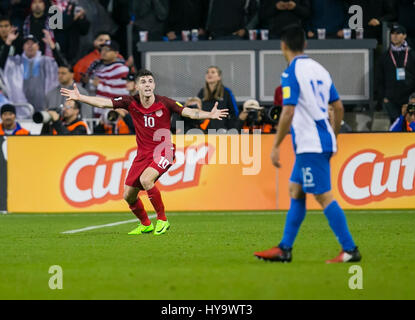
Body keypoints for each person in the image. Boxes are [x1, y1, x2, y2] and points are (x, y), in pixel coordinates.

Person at [60, 69, 228, 235]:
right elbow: (103, 103)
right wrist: (80, 97)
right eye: (143, 82)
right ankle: (146, 224)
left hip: (165, 150)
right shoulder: (130, 102)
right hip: (142, 155)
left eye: (149, 81)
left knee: (146, 179)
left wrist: (209, 114)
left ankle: (162, 220)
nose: (147, 84)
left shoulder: (165, 102)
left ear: (154, 85)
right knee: (128, 196)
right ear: (137, 87)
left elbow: (189, 112)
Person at [254, 26, 361, 263]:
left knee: (323, 196)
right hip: (320, 140)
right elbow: (339, 107)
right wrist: (333, 135)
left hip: (310, 143)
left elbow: (288, 110)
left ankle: (350, 249)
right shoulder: (320, 69)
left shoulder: (291, 72)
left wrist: (275, 145)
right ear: (306, 45)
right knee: (296, 190)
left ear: (283, 45)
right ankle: (285, 248)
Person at [0, 31, 63, 113]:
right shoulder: (15, 62)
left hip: (43, 106)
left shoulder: (46, 61)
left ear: (38, 47)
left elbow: (62, 65)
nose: (30, 46)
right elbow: (2, 64)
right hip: (21, 108)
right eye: (27, 43)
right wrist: (8, 43)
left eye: (33, 43)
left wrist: (52, 46)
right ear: (23, 47)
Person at [377, 24, 415, 123]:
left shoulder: (412, 54)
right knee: (395, 123)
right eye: (392, 33)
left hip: (409, 98)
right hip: (391, 99)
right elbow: (379, 78)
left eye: (398, 33)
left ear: (404, 36)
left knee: (410, 123)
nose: (395, 36)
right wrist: (383, 97)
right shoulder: (384, 56)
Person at [84, 40, 129, 116]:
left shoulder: (121, 69)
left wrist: (99, 85)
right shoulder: (97, 66)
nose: (103, 52)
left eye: (107, 50)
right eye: (102, 49)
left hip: (113, 112)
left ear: (116, 53)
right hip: (95, 109)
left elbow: (121, 92)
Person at [197, 66, 239, 132]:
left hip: (222, 131)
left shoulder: (226, 92)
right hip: (204, 131)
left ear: (219, 77)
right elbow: (197, 111)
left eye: (213, 72)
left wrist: (229, 128)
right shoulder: (202, 92)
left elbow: (234, 112)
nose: (209, 74)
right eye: (207, 72)